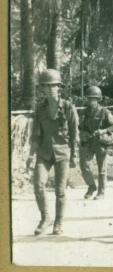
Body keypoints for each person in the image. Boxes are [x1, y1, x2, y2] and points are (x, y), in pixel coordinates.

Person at [26, 69, 79, 236]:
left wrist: (75, 155)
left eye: (53, 86)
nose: (50, 89)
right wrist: (30, 155)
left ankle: (58, 223)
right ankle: (45, 218)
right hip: (44, 152)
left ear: (59, 87)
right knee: (38, 183)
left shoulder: (69, 107)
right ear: (42, 88)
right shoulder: (40, 109)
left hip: (63, 152)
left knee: (60, 190)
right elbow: (35, 134)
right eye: (46, 86)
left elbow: (75, 133)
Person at [79, 85, 113, 200]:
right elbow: (80, 126)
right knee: (83, 164)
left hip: (101, 143)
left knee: (102, 169)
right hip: (89, 142)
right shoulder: (84, 112)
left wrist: (104, 130)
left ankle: (101, 192)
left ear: (98, 99)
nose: (91, 101)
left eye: (94, 99)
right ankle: (91, 186)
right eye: (89, 99)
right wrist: (83, 132)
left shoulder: (104, 112)